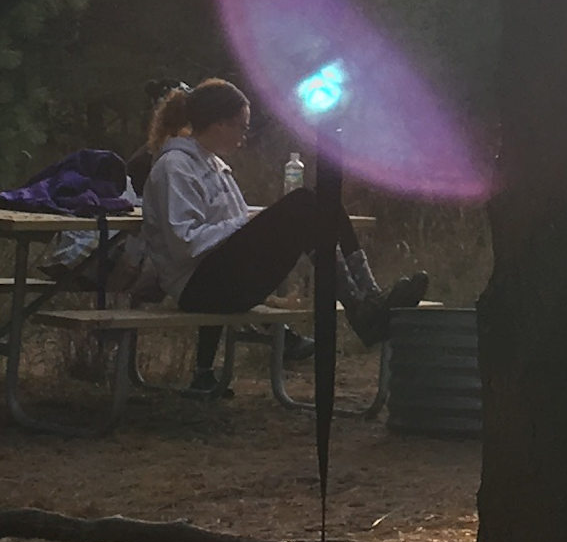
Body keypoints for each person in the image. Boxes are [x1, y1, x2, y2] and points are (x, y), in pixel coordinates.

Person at [134, 78, 427, 381]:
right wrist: (247, 223)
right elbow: (186, 241)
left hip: (224, 276)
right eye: (241, 126)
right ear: (219, 124)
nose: (243, 136)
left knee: (324, 201)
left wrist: (259, 220)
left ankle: (368, 297)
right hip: (198, 287)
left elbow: (232, 224)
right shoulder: (175, 167)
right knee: (303, 202)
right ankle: (361, 311)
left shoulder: (213, 165)